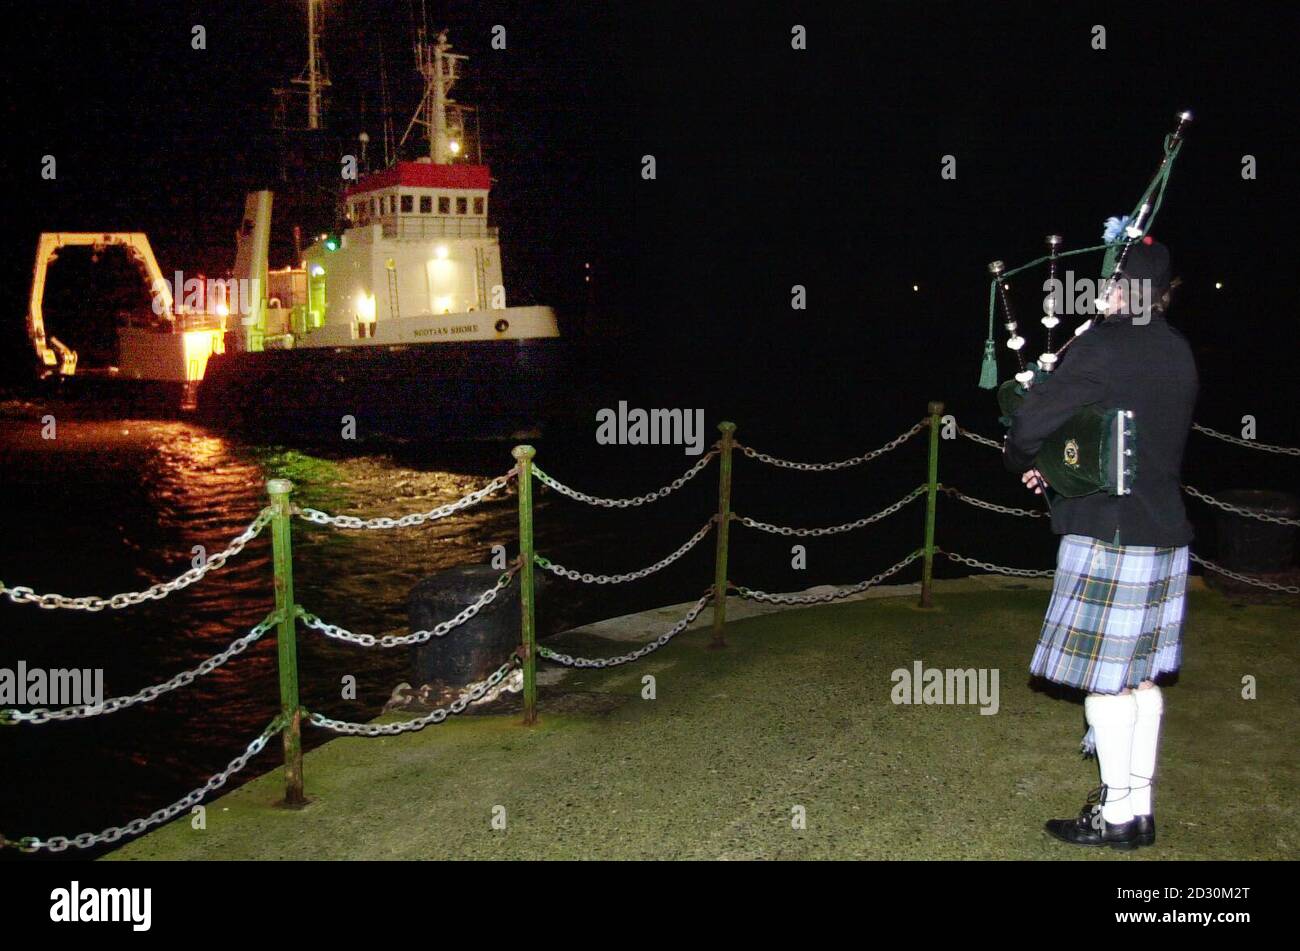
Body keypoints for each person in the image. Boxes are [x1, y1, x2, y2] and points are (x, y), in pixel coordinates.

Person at [1003, 237, 1198, 850]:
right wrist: (1059, 469)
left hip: (1109, 538)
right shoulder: (1179, 352)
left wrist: (1022, 457)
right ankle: (1138, 807)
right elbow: (1113, 435)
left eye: (1109, 284)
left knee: (1109, 686)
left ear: (1125, 290)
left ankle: (1114, 817)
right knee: (1140, 682)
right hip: (1164, 534)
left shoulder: (1103, 346)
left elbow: (1033, 419)